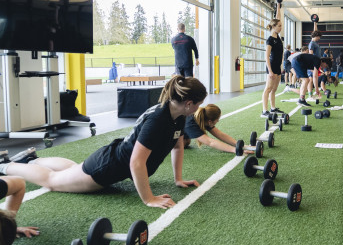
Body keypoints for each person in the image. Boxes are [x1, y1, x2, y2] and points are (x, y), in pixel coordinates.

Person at [0, 76, 207, 210]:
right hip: (106, 168)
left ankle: (33, 160)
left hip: (111, 159)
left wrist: (178, 179)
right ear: (189, 103)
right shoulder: (158, 120)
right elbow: (136, 162)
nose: (199, 108)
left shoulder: (178, 115)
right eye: (199, 104)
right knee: (53, 181)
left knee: (74, 169)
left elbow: (178, 146)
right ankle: (6, 165)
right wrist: (148, 198)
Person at [182, 104, 253, 155]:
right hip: (172, 134)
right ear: (210, 121)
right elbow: (210, 142)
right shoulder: (191, 124)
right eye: (217, 119)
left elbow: (220, 135)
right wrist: (235, 150)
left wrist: (242, 146)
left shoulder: (204, 117)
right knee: (183, 144)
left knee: (186, 141)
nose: (218, 121)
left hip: (183, 130)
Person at [261, 0, 285, 118]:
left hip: (277, 67)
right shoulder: (270, 40)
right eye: (279, 26)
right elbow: (266, 56)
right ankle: (264, 111)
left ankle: (273, 108)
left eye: (281, 26)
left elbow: (278, 17)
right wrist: (270, 70)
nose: (281, 27)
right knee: (268, 88)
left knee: (274, 89)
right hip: (271, 66)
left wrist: (278, 5)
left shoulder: (278, 38)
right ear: (273, 26)